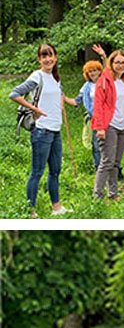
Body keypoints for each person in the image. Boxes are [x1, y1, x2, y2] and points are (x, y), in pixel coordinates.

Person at [9, 43, 78, 218]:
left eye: (50, 55)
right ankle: (30, 210)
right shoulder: (37, 77)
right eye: (44, 56)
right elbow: (14, 94)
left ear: (55, 57)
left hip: (55, 131)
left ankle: (56, 207)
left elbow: (57, 97)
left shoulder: (55, 78)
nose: (48, 59)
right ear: (39, 59)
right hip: (41, 131)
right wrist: (35, 109)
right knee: (37, 171)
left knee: (55, 170)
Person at [90, 45, 124, 201]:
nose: (120, 65)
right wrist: (99, 128)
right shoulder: (104, 81)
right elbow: (98, 105)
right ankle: (97, 195)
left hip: (123, 126)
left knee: (116, 162)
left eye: (123, 62)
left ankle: (113, 194)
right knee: (107, 161)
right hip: (108, 125)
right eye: (117, 62)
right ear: (111, 64)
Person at [75, 59, 103, 171]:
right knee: (96, 145)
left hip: (107, 117)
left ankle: (114, 169)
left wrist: (103, 56)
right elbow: (77, 100)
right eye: (90, 71)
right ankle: (98, 169)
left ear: (100, 71)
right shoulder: (86, 86)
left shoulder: (105, 82)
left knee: (109, 145)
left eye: (95, 70)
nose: (92, 73)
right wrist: (64, 98)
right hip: (94, 117)